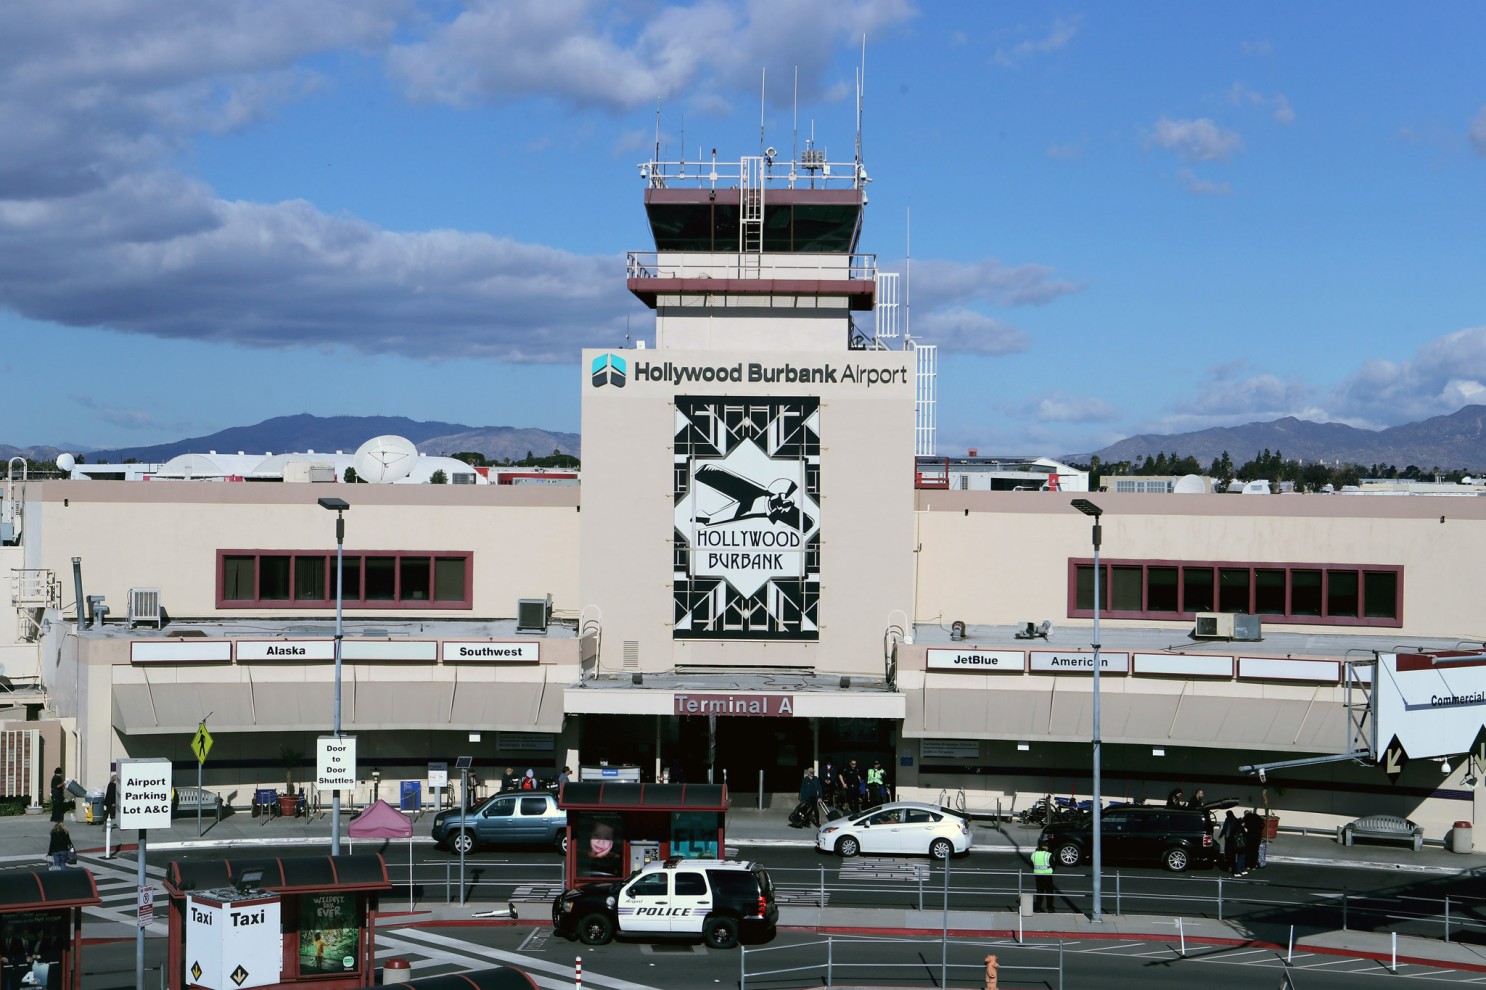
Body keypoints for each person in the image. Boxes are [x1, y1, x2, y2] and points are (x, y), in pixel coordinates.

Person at [1031, 838, 1055, 913]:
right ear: (1044, 847)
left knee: (1039, 892)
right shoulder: (1048, 855)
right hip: (1047, 876)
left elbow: (1033, 864)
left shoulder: (1034, 854)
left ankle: (1038, 908)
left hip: (1037, 875)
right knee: (1049, 892)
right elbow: (1053, 865)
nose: (1048, 848)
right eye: (1047, 846)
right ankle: (1050, 908)